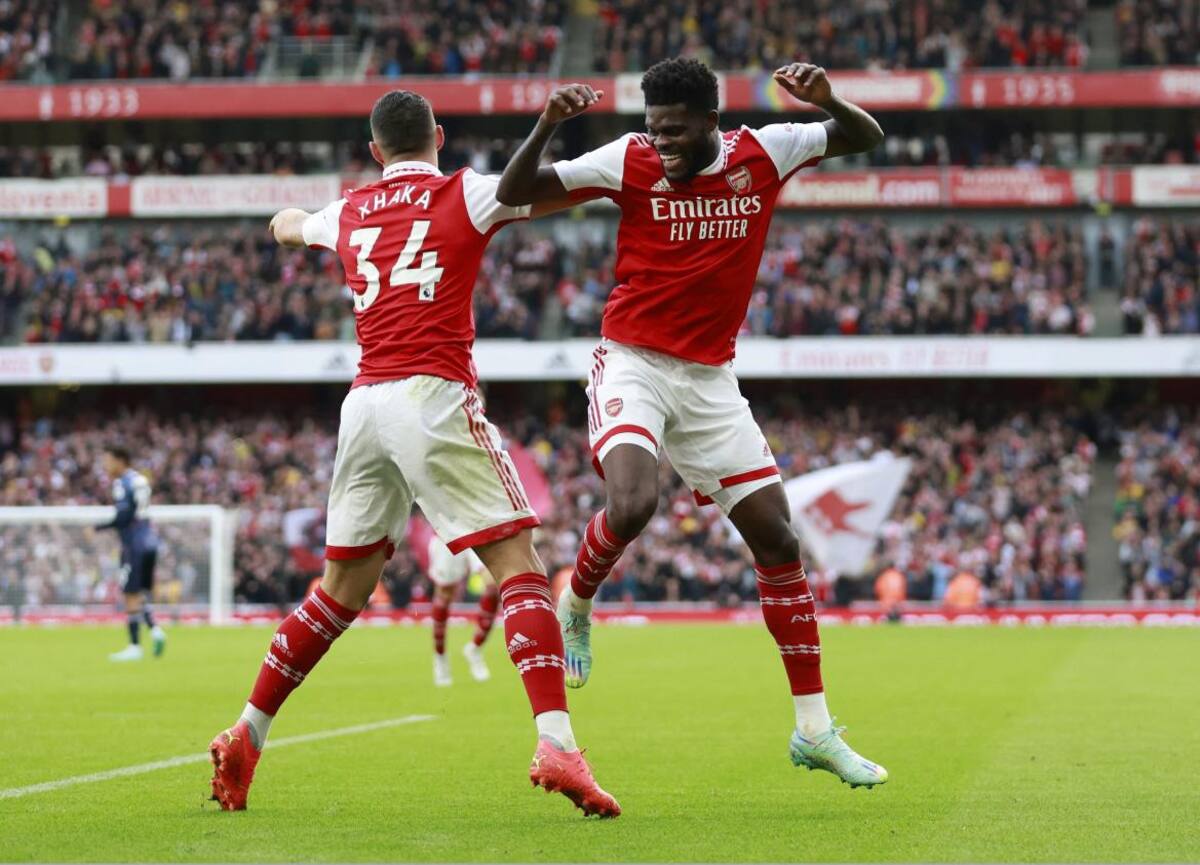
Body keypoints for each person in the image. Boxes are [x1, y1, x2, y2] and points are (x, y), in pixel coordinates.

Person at [207, 90, 619, 817]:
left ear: (374, 151)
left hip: (364, 406)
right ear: (438, 135)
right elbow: (553, 185)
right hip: (432, 394)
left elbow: (286, 225)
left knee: (339, 592)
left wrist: (293, 224)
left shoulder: (348, 210)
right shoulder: (468, 192)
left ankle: (248, 730)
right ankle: (556, 740)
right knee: (521, 570)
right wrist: (562, 134)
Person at [497, 58, 889, 788]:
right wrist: (548, 124)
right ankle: (576, 598)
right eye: (654, 129)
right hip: (634, 361)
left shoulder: (764, 151)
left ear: (712, 121)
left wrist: (829, 99)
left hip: (710, 379)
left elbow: (865, 137)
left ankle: (813, 730)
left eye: (675, 131)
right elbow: (517, 192)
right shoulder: (629, 160)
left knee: (777, 535)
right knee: (635, 502)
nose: (661, 143)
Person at [98, 445, 166, 661]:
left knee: (129, 593)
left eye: (108, 461)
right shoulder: (141, 479)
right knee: (139, 592)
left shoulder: (122, 483)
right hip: (150, 540)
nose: (105, 466)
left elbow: (124, 516)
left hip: (134, 544)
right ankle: (155, 630)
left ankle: (135, 646)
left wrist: (98, 527)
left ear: (120, 460)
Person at [427, 534, 498, 686]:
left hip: (476, 530)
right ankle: (440, 657)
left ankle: (475, 648)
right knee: (444, 596)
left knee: (492, 586)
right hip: (447, 532)